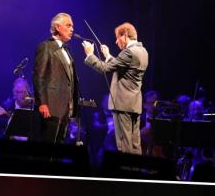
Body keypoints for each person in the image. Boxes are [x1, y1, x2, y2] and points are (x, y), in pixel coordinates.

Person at [83, 22, 148, 154]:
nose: (116, 41)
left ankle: (124, 167)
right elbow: (123, 67)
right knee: (135, 144)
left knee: (124, 144)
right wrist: (108, 56)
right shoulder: (143, 51)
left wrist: (90, 55)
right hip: (134, 104)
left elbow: (104, 68)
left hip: (122, 105)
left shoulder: (128, 52)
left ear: (125, 35)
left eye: (118, 37)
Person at [33, 12, 78, 144]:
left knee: (59, 144)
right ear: (57, 27)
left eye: (72, 26)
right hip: (50, 107)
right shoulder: (46, 46)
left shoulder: (66, 50)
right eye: (68, 26)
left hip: (65, 109)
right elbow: (39, 77)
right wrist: (42, 103)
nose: (72, 29)